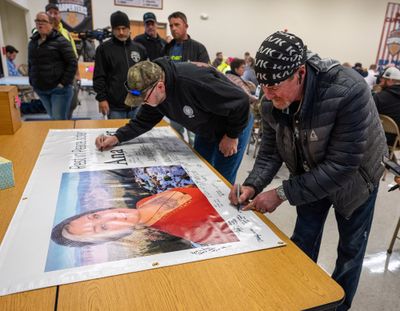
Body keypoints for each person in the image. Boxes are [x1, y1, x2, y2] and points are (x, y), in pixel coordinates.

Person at [229, 31, 387, 311]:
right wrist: (253, 184)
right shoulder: (271, 99)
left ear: (300, 73)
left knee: (350, 251)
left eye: (274, 85)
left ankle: (338, 307)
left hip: (356, 180)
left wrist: (280, 193)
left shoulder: (348, 90)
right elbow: (269, 151)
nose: (267, 94)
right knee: (303, 239)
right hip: (309, 174)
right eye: (262, 86)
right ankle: (299, 298)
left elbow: (342, 166)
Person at [95, 59, 252, 184]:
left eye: (144, 98)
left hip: (235, 122)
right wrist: (116, 137)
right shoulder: (154, 94)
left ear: (161, 86)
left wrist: (231, 136)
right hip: (206, 126)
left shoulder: (193, 81)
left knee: (222, 178)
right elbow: (142, 121)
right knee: (201, 173)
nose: (143, 103)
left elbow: (241, 101)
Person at [51, 187, 238, 247]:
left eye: (95, 216)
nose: (112, 216)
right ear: (111, 238)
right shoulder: (174, 231)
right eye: (103, 228)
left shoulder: (143, 202)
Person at [161, 11, 210, 145]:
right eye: (171, 25)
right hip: (173, 100)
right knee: (176, 136)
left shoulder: (198, 48)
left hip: (193, 102)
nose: (173, 28)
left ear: (186, 26)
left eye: (177, 24)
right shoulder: (167, 48)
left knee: (194, 137)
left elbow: (206, 73)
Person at [93, 11, 147, 119]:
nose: (121, 32)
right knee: (117, 135)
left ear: (129, 28)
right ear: (112, 30)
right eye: (117, 29)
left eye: (124, 28)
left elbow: (145, 75)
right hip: (115, 107)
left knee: (138, 135)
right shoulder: (103, 49)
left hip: (137, 105)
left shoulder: (140, 49)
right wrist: (102, 99)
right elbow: (99, 76)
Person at [28, 12, 77, 120]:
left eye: (44, 21)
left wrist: (63, 83)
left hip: (59, 90)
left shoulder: (61, 41)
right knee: (53, 119)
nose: (40, 24)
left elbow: (72, 63)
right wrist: (32, 80)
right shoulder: (32, 43)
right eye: (38, 21)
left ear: (51, 24)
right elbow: (31, 63)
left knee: (58, 121)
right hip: (41, 89)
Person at [46, 2, 80, 119]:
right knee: (57, 111)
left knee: (72, 104)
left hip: (69, 77)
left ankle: (67, 124)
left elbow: (74, 56)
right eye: (50, 13)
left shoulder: (66, 33)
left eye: (56, 13)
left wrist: (77, 75)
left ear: (60, 15)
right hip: (53, 78)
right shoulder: (40, 33)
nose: (53, 15)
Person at [373, 66, 400, 146]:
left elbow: (366, 115)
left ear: (390, 81)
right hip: (397, 142)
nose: (380, 81)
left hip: (379, 138)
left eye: (383, 79)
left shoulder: (379, 97)